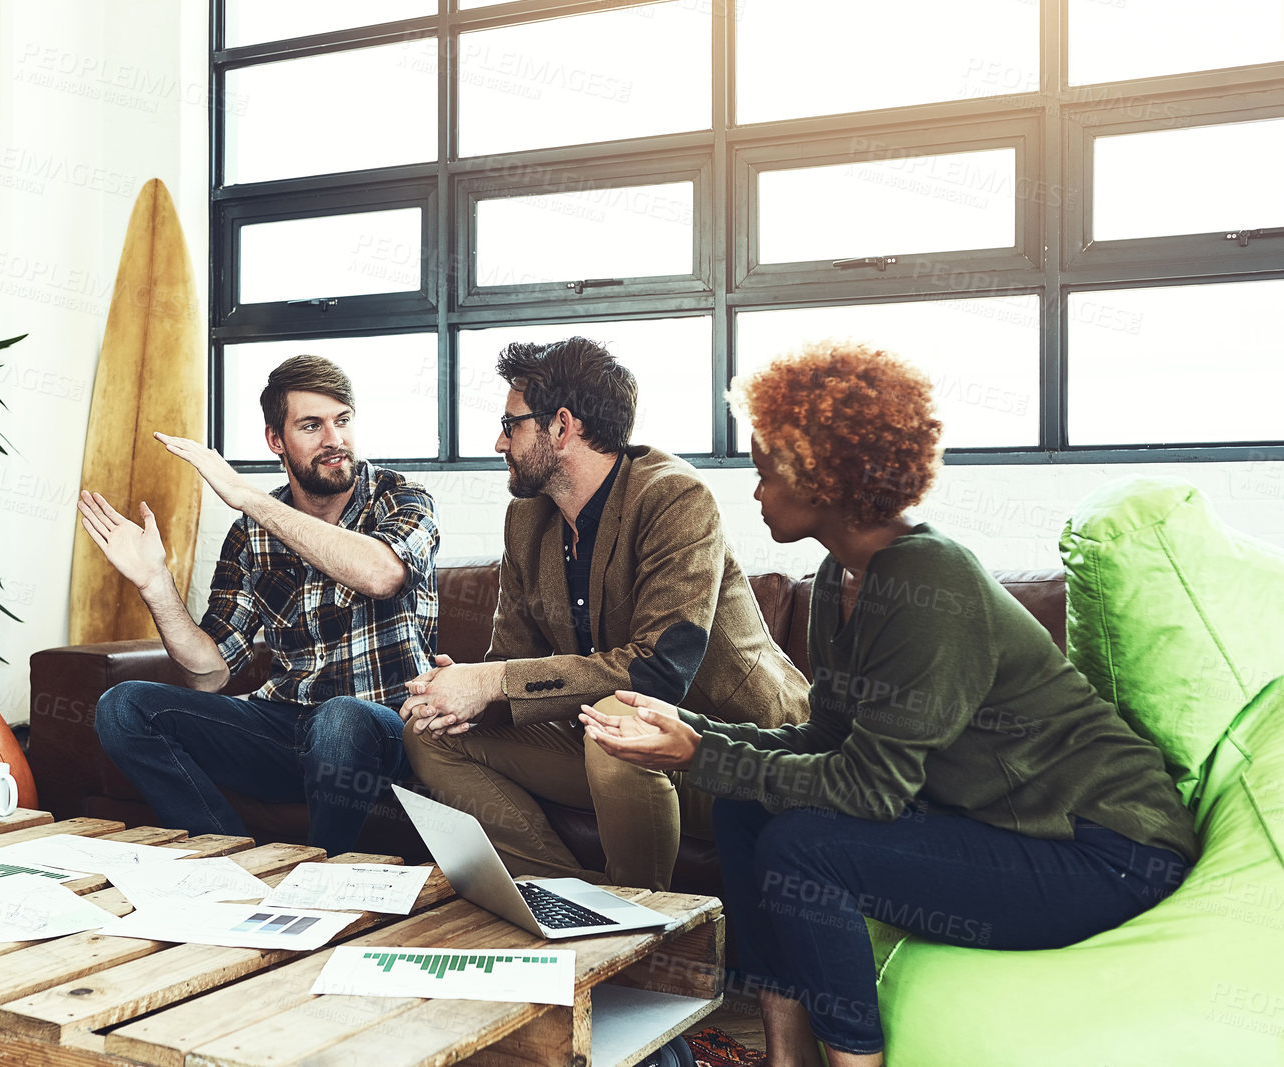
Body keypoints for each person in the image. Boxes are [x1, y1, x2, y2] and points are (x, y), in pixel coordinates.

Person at [580, 340, 1198, 1067]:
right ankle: (787, 1056)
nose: (752, 491)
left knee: (803, 846)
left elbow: (867, 790)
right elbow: (825, 744)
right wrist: (693, 728)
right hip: (1012, 832)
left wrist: (701, 754)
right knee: (748, 811)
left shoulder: (930, 583)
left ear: (821, 475)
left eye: (763, 470)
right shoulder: (838, 579)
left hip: (1103, 851)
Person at [401, 337, 810, 891]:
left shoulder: (673, 499)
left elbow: (659, 672)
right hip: (614, 750)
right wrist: (465, 693)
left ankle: (643, 921)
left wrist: (493, 680)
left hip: (735, 759)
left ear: (561, 426)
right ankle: (567, 900)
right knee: (431, 734)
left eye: (511, 423)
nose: (499, 441)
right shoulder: (527, 521)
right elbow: (513, 664)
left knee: (619, 720)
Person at [87, 354, 439, 855]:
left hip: (381, 730)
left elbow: (381, 574)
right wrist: (156, 585)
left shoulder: (401, 499)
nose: (334, 440)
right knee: (123, 707)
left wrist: (246, 495)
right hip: (285, 728)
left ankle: (324, 881)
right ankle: (235, 861)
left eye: (343, 420)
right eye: (312, 426)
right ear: (276, 440)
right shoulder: (249, 536)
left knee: (341, 717)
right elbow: (209, 675)